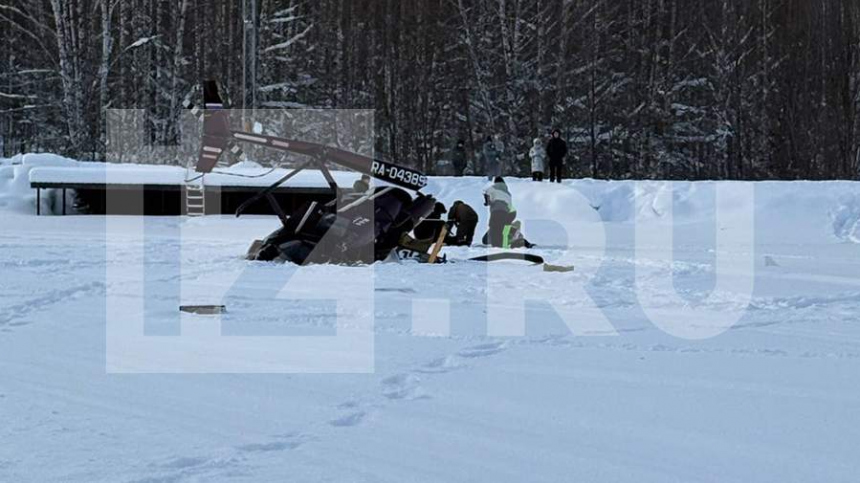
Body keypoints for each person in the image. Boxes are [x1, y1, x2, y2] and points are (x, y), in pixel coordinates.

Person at [482, 177, 517, 248]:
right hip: (506, 212)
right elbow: (510, 206)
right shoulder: (508, 193)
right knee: (501, 228)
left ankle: (496, 245)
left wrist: (487, 202)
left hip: (496, 210)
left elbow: (486, 193)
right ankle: (501, 244)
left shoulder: (493, 187)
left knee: (493, 226)